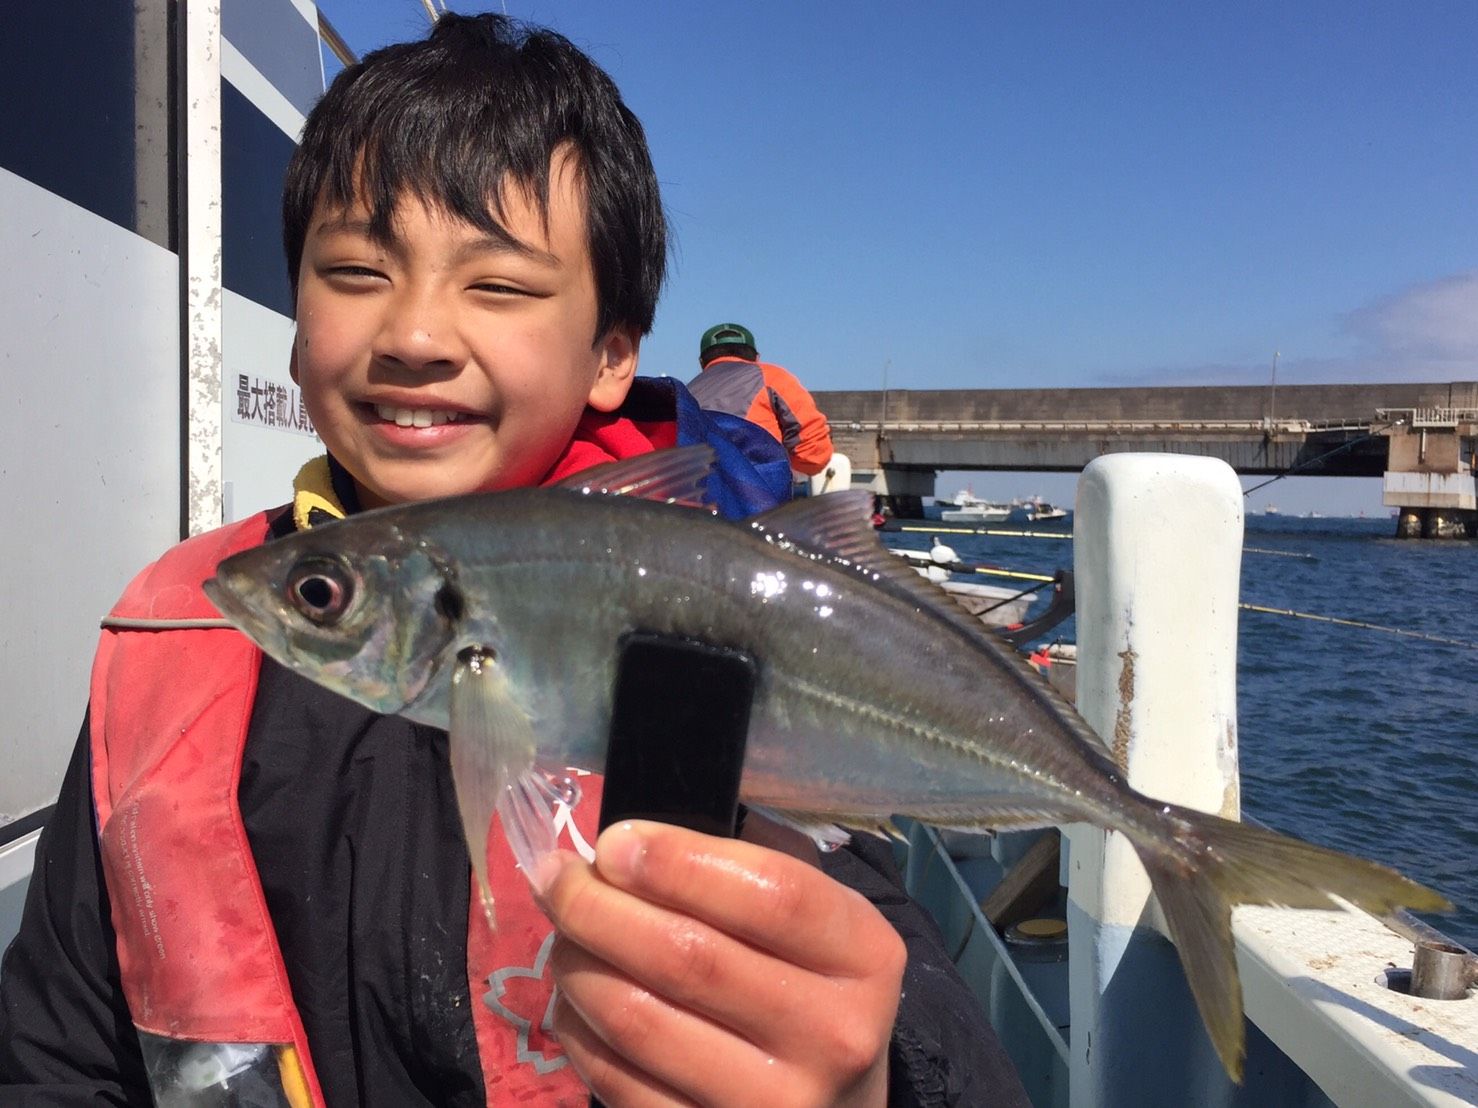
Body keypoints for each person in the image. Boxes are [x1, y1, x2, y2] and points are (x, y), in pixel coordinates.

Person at [0, 14, 1026, 1107]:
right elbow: (57, 1051)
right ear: (295, 320)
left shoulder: (693, 615)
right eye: (353, 270)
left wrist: (870, 1083)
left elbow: (911, 999)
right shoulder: (170, 634)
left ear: (611, 353)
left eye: (498, 286)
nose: (415, 335)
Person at [688, 322, 836, 476]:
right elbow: (813, 451)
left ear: (701, 362)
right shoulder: (773, 376)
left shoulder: (686, 391)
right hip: (760, 483)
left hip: (697, 485)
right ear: (757, 357)